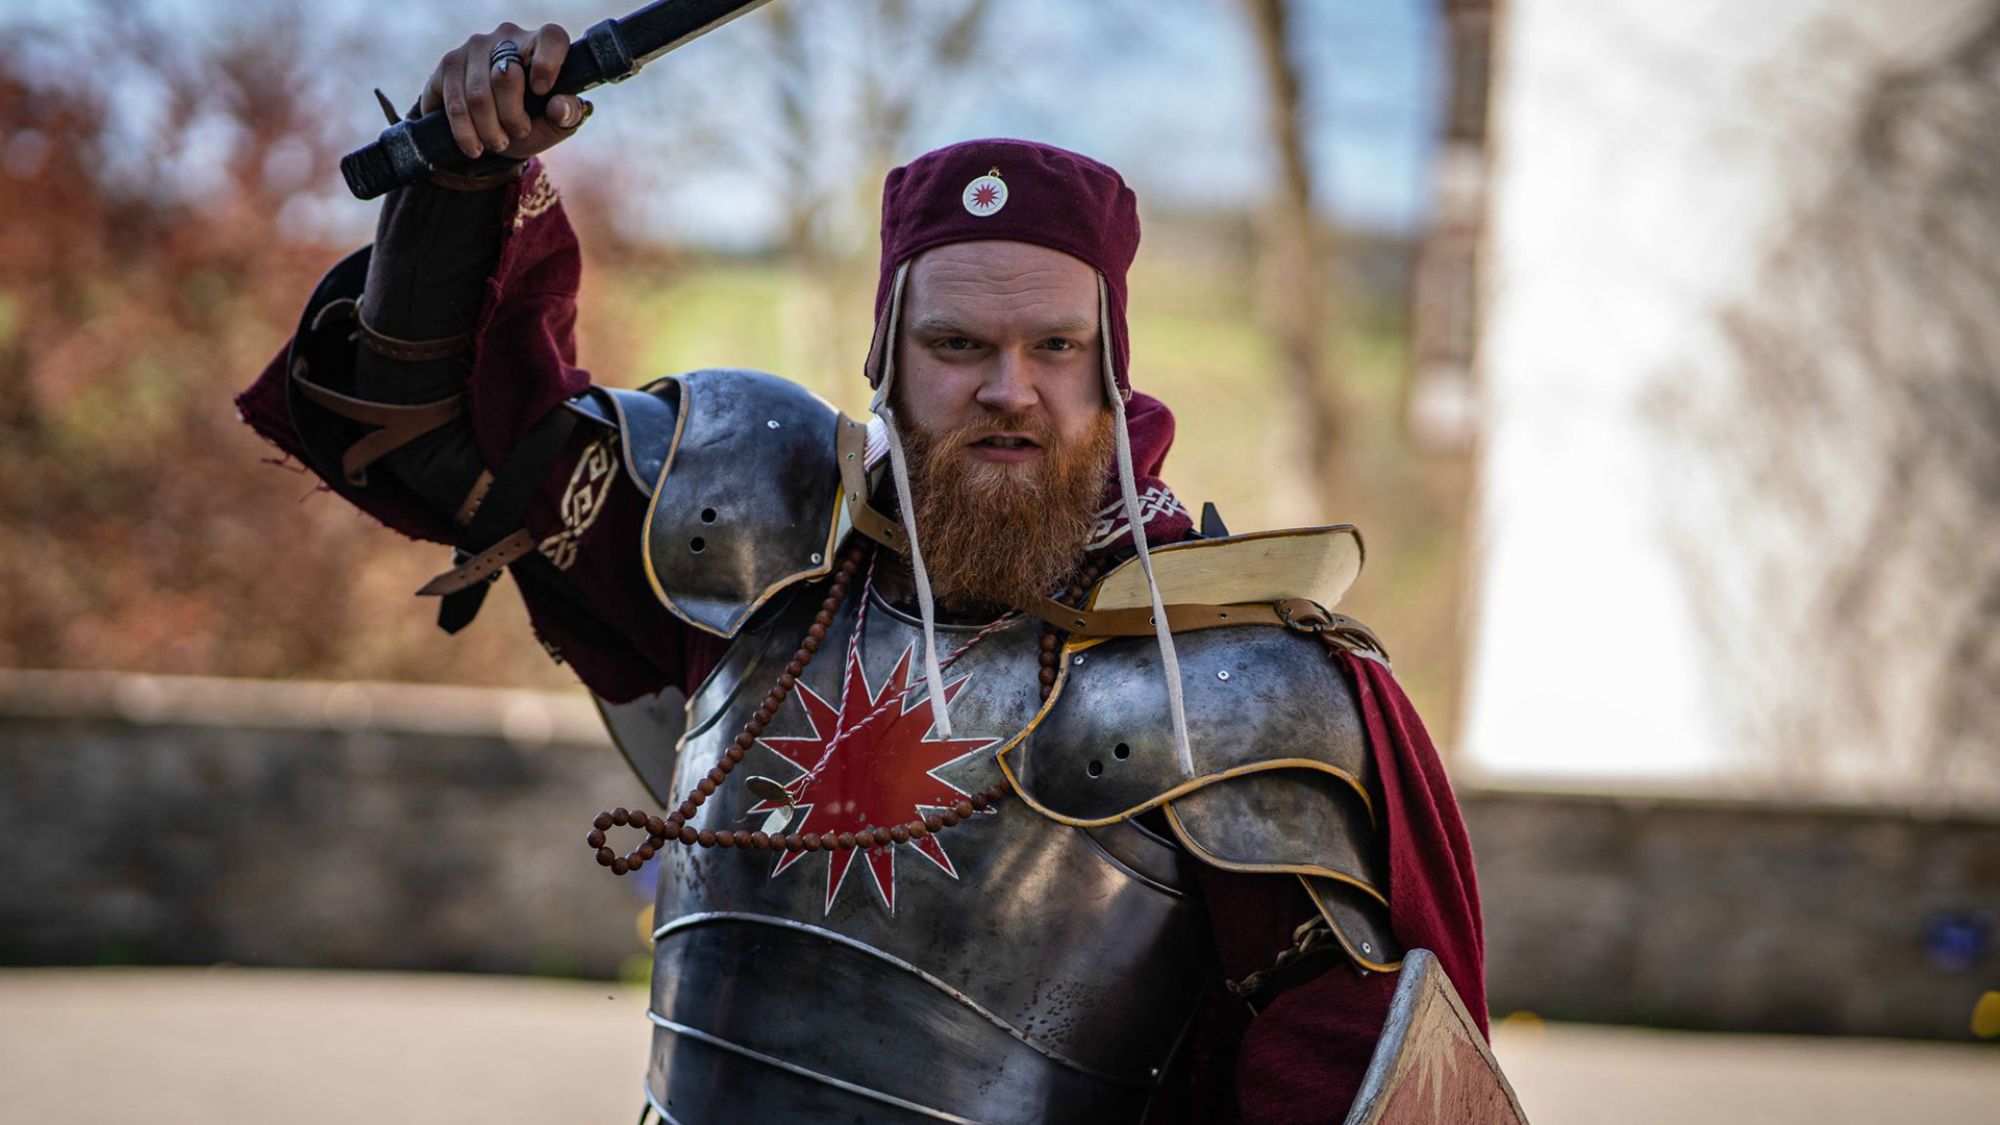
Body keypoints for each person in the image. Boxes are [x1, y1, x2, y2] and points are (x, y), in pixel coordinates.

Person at [237, 21, 1487, 1124]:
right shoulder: (754, 546)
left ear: (1111, 371)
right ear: (885, 356)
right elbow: (442, 439)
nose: (1009, 389)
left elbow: (1347, 1073)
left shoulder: (1228, 681)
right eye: (957, 344)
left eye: (1056, 345)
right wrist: (465, 174)